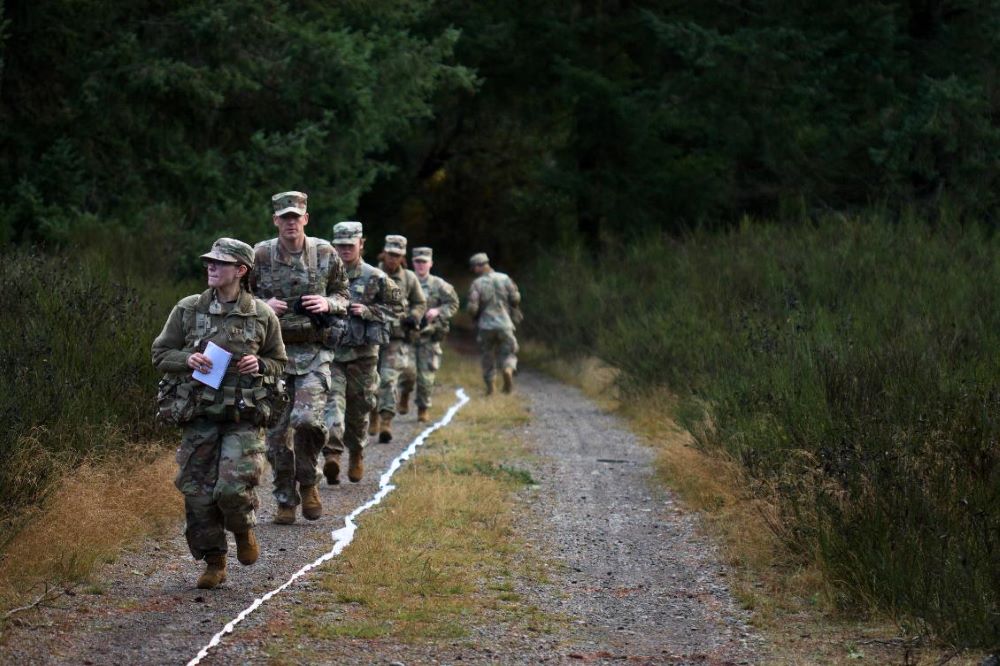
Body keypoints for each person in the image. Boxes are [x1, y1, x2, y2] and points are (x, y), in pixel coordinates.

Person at [152, 238, 287, 589]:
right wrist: (188, 359)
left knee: (231, 489)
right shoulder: (187, 309)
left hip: (242, 417)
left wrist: (260, 363)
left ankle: (242, 528)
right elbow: (160, 353)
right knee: (196, 494)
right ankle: (215, 561)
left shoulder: (261, 314)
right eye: (209, 262)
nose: (211, 267)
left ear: (240, 270)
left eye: (220, 263)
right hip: (199, 415)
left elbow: (279, 362)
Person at [249, 191, 349, 525]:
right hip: (273, 355)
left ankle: (308, 482)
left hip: (314, 353)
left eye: (296, 217)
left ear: (306, 219)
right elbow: (237, 296)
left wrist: (328, 304)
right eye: (284, 217)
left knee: (307, 421)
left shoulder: (324, 252)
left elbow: (343, 295)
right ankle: (285, 499)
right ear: (275, 220)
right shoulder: (260, 255)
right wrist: (262, 306)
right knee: (276, 434)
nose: (291, 223)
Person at [322, 221, 403, 482]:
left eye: (350, 245)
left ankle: (356, 452)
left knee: (359, 409)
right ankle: (332, 455)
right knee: (332, 404)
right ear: (334, 246)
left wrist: (368, 311)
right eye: (340, 245)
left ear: (361, 244)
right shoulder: (323, 275)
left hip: (364, 356)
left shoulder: (376, 277)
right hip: (331, 353)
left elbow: (398, 309)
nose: (345, 249)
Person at [370, 235, 426, 442]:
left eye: (397, 255)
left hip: (396, 337)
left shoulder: (409, 278)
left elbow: (420, 302)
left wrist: (415, 316)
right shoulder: (371, 273)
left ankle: (386, 421)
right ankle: (373, 414)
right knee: (371, 380)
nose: (392, 259)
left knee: (388, 378)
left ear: (402, 256)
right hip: (371, 337)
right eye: (390, 254)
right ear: (383, 253)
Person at [398, 246, 459, 422]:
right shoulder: (405, 281)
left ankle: (423, 408)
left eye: (424, 262)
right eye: (417, 261)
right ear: (413, 262)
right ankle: (404, 395)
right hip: (407, 337)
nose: (421, 265)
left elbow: (453, 303)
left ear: (431, 263)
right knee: (407, 373)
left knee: (426, 377)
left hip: (429, 338)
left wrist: (438, 311)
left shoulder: (440, 285)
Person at [467, 252, 522, 394]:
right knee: (509, 351)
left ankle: (491, 387)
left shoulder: (477, 284)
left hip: (486, 326)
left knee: (487, 355)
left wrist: (473, 316)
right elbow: (515, 298)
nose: (473, 270)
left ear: (480, 266)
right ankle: (508, 369)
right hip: (505, 323)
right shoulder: (505, 278)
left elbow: (473, 308)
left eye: (474, 267)